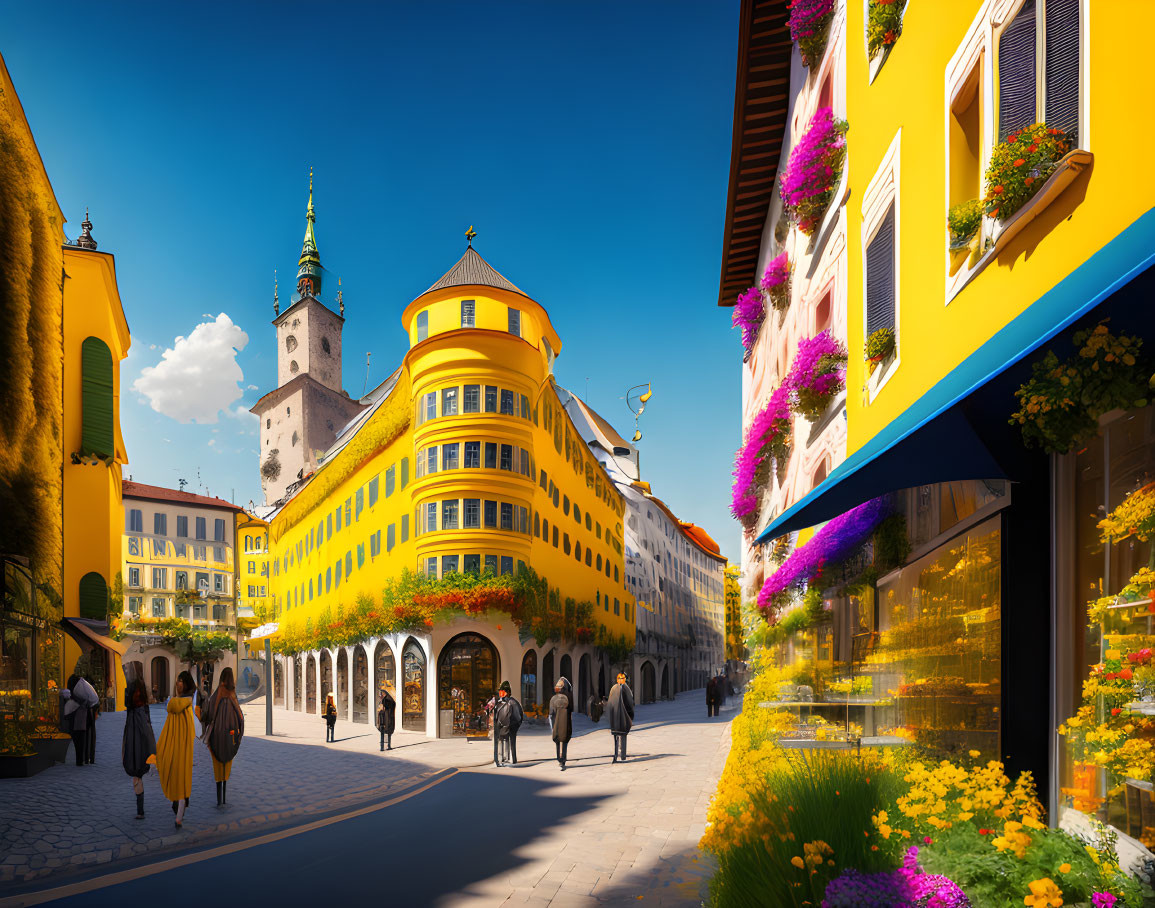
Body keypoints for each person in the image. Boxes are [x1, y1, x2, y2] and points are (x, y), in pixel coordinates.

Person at [199, 667, 244, 807]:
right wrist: (238, 734)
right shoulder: (232, 695)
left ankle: (219, 798)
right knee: (227, 762)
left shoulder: (215, 695)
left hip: (215, 738)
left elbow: (206, 716)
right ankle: (224, 795)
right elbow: (241, 718)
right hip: (230, 737)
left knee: (217, 765)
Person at [157, 671, 196, 828]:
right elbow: (190, 730)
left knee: (177, 779)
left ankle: (178, 816)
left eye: (180, 681)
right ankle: (179, 815)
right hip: (184, 749)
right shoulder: (187, 704)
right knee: (182, 780)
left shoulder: (179, 704)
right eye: (177, 681)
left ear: (186, 684)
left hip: (176, 747)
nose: (177, 683)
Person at [121, 677, 156, 819]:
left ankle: (140, 810)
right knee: (137, 777)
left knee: (137, 776)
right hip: (136, 745)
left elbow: (145, 730)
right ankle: (140, 809)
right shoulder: (137, 710)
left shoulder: (137, 711)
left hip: (137, 746)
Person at [63, 674, 98, 766]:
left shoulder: (74, 694)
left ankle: (80, 760)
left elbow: (70, 707)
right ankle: (85, 758)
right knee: (83, 738)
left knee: (78, 739)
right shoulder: (83, 691)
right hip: (85, 717)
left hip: (78, 719)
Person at [492, 681, 524, 767]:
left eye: (503, 691)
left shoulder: (513, 702)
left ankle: (511, 758)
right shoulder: (498, 703)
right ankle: (501, 758)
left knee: (509, 741)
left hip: (511, 726)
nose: (501, 693)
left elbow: (518, 717)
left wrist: (512, 726)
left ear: (508, 692)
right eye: (500, 691)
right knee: (502, 740)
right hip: (501, 727)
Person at [607, 671, 635, 764]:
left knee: (616, 736)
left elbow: (610, 703)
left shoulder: (613, 688)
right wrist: (630, 715)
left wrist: (610, 715)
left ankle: (616, 755)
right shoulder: (626, 689)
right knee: (623, 735)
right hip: (623, 716)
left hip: (614, 717)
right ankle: (622, 755)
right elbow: (630, 704)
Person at [549, 678, 573, 771]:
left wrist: (552, 728)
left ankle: (559, 760)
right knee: (565, 741)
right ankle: (563, 760)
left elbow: (551, 715)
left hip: (556, 723)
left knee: (558, 742)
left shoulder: (553, 699)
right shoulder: (568, 699)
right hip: (566, 724)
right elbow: (570, 712)